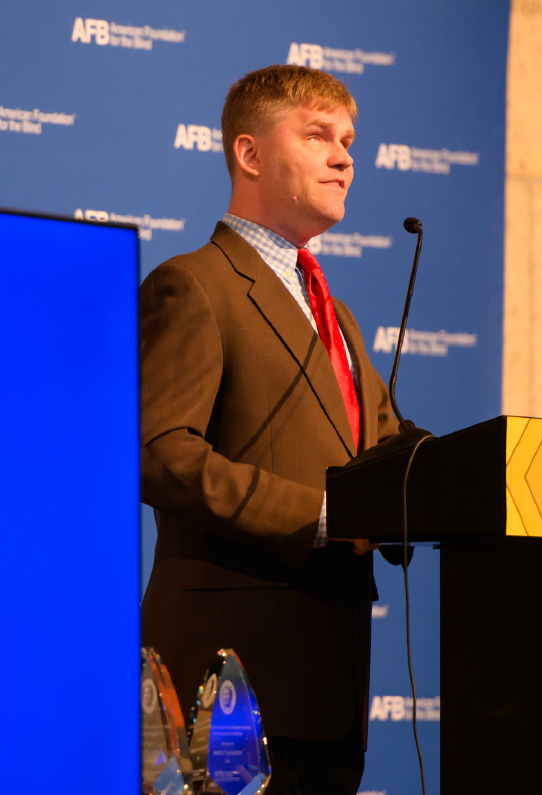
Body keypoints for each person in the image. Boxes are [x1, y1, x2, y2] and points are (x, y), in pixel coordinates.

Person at [139, 64, 401, 794]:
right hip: (226, 688)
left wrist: (449, 481)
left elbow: (384, 449)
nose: (345, 156)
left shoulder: (337, 313)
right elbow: (158, 453)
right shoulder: (193, 284)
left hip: (332, 684)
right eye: (319, 135)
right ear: (250, 155)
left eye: (348, 139)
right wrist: (320, 516)